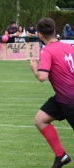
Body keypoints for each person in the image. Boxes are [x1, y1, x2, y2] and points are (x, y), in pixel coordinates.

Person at [29, 17, 73, 168]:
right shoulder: (69, 47)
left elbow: (42, 77)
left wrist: (35, 69)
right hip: (62, 97)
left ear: (39, 35)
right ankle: (61, 155)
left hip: (70, 100)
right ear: (54, 31)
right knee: (40, 119)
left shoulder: (47, 50)